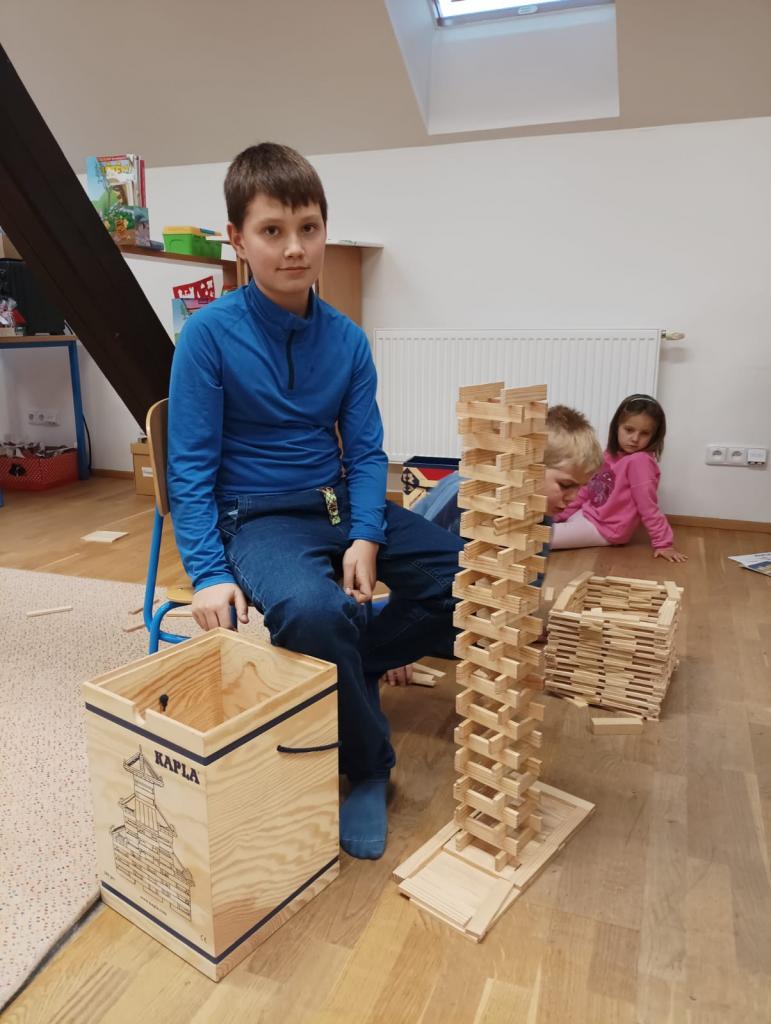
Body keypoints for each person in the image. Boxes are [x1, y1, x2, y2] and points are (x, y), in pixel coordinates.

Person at [166, 143, 464, 861]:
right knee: (312, 613)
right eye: (272, 231)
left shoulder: (348, 341)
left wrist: (366, 535)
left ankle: (347, 661)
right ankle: (367, 766)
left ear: (325, 230)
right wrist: (207, 571)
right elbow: (189, 468)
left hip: (336, 506)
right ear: (237, 240)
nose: (294, 248)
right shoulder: (207, 336)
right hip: (257, 518)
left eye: (308, 228)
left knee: (473, 580)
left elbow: (366, 453)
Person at [381, 404, 604, 683]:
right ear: (529, 468)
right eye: (566, 485)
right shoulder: (467, 500)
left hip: (468, 604)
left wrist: (520, 622)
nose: (574, 497)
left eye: (581, 487)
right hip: (423, 600)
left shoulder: (541, 513)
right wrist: (396, 646)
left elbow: (530, 578)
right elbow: (409, 566)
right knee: (431, 630)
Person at [551, 393, 687, 562]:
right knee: (543, 523)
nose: (635, 439)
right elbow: (586, 491)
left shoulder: (641, 462)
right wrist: (561, 515)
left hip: (606, 529)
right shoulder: (610, 455)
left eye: (644, 433)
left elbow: (648, 506)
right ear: (617, 427)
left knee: (540, 537)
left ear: (654, 436)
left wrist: (663, 543)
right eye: (629, 430)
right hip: (587, 514)